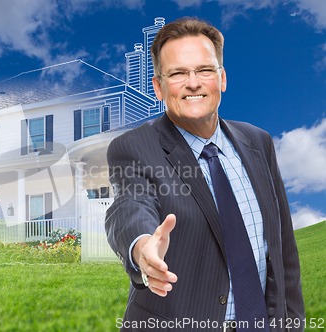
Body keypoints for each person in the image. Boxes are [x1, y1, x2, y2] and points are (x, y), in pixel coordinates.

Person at [105, 17, 304, 331]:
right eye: (178, 73)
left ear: (222, 78)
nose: (193, 82)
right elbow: (130, 205)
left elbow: (282, 250)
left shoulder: (259, 141)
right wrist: (142, 248)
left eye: (204, 70)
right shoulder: (133, 147)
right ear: (158, 86)